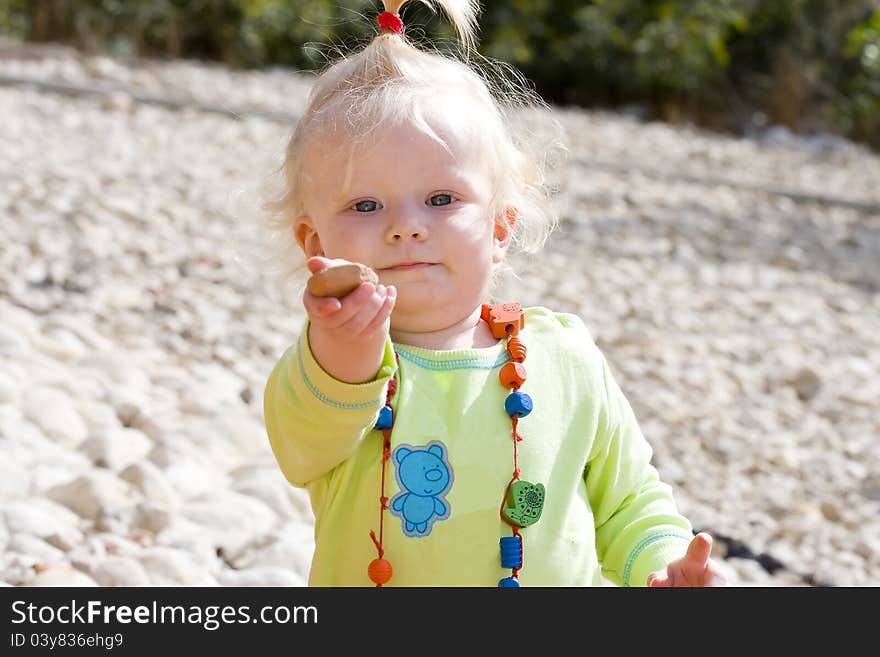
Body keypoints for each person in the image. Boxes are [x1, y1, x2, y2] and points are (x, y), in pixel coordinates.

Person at [261, 0, 726, 587]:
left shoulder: (563, 356)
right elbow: (300, 445)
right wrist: (342, 356)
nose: (407, 226)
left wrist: (663, 565)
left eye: (441, 199)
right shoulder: (336, 372)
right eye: (365, 205)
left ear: (501, 228)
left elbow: (627, 499)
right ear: (314, 242)